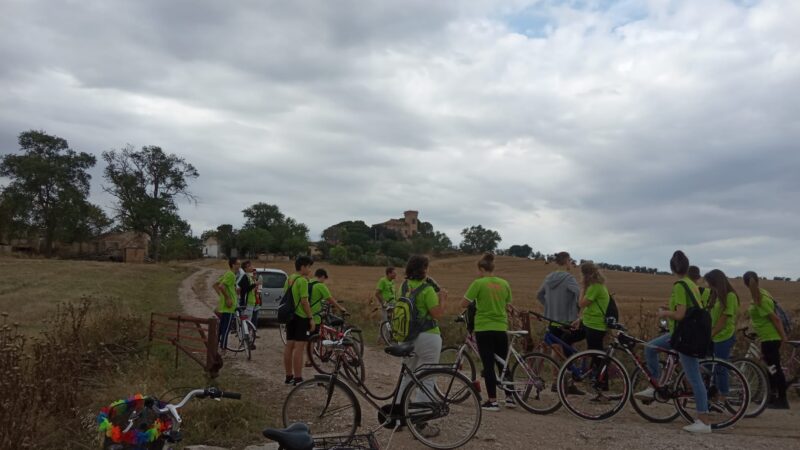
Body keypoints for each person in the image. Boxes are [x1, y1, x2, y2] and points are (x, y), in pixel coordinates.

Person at [636, 250, 710, 433]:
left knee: (694, 377)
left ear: (671, 268)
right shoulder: (691, 284)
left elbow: (680, 314)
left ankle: (704, 421)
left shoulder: (679, 286)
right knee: (651, 347)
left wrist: (664, 313)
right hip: (686, 333)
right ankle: (656, 386)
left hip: (683, 336)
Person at [397, 255, 446, 438]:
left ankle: (400, 416)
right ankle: (420, 422)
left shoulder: (402, 287)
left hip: (406, 337)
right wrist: (443, 299)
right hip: (427, 337)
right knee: (427, 378)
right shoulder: (427, 290)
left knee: (406, 376)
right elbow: (437, 314)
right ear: (424, 269)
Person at [461, 253, 513, 411]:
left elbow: (464, 303)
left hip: (484, 328)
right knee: (503, 363)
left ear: (482, 269)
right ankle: (510, 398)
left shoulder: (479, 283)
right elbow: (508, 304)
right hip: (501, 328)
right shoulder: (504, 283)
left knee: (488, 365)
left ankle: (492, 401)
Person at [744, 271, 789, 409]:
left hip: (771, 338)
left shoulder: (760, 299)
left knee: (775, 369)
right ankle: (771, 398)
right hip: (767, 337)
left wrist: (783, 337)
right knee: (771, 368)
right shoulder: (761, 294)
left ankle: (782, 400)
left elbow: (775, 318)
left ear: (746, 284)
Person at [703, 269, 739, 400]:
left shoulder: (730, 296)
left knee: (720, 367)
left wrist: (710, 335)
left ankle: (723, 395)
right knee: (705, 365)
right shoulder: (716, 295)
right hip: (713, 335)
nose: (710, 286)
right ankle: (709, 394)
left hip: (724, 336)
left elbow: (723, 321)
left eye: (711, 284)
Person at [537, 251, 584, 347]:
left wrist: (549, 306)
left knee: (555, 350)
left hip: (552, 320)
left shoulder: (548, 278)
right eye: (570, 261)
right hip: (567, 321)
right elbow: (579, 295)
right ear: (567, 261)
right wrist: (577, 308)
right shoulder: (569, 278)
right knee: (567, 350)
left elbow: (539, 295)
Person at [283, 255, 315, 386]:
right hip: (301, 317)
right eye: (308, 267)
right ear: (303, 267)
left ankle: (288, 376)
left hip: (290, 317)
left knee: (289, 346)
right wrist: (311, 318)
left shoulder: (289, 279)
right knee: (300, 348)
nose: (309, 270)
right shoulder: (302, 281)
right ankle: (298, 379)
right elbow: (304, 301)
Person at [212, 257, 240, 353]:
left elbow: (215, 285)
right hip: (229, 308)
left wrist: (222, 296)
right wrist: (227, 298)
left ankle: (215, 347)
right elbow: (221, 286)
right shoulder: (231, 275)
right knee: (226, 329)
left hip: (224, 307)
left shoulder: (228, 274)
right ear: (233, 265)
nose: (239, 266)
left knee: (221, 329)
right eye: (238, 264)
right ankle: (223, 349)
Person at [237, 261, 260, 349]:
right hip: (246, 304)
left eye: (251, 265)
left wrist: (255, 283)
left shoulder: (250, 277)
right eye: (249, 266)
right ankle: (245, 341)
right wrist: (255, 284)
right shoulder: (244, 277)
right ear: (246, 268)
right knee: (246, 323)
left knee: (248, 323)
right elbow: (245, 289)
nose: (251, 267)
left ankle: (248, 341)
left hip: (252, 303)